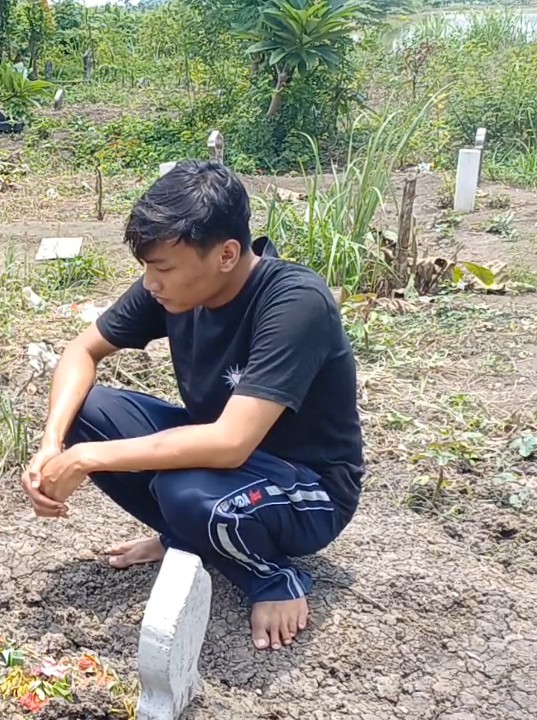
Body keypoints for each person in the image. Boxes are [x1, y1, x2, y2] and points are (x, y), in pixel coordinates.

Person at [20, 160, 364, 651]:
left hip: (307, 489)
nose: (151, 283)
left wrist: (85, 458)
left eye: (162, 269)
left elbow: (229, 443)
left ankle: (271, 577)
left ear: (226, 254)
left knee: (184, 492)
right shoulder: (171, 289)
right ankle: (184, 535)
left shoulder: (294, 302)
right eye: (147, 268)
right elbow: (82, 351)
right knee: (85, 413)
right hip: (221, 468)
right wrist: (54, 443)